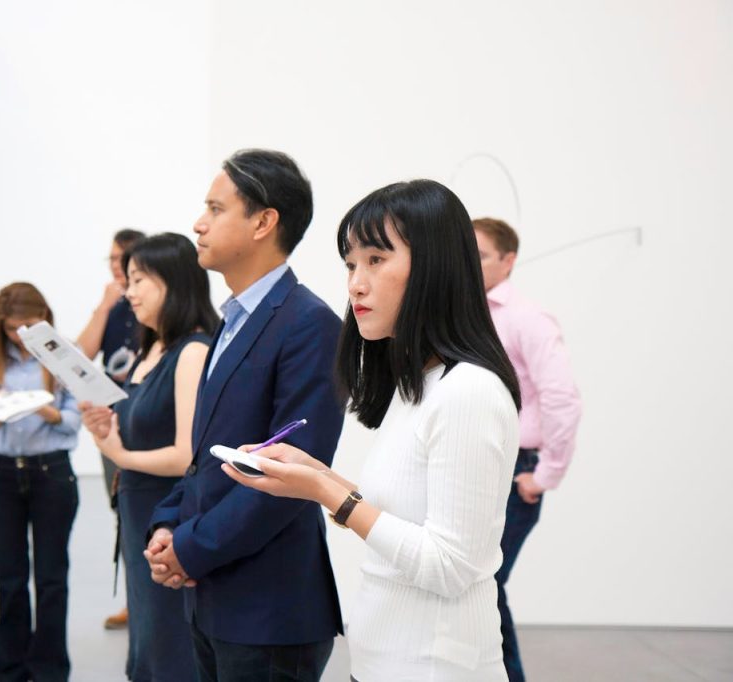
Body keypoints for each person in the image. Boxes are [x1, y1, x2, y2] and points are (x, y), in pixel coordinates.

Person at [225, 180, 522, 681]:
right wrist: (316, 474)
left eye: (376, 260)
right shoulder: (421, 385)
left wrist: (324, 491)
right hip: (385, 661)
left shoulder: (469, 392)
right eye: (350, 264)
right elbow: (403, 517)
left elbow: (449, 567)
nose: (355, 284)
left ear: (434, 266)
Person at [144, 149, 345, 682]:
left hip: (269, 609)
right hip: (216, 596)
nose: (198, 223)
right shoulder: (231, 322)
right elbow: (207, 457)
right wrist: (169, 522)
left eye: (215, 208)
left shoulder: (309, 325)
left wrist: (188, 547)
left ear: (263, 221)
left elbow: (289, 476)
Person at [81, 232, 218, 681]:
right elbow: (141, 427)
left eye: (140, 280)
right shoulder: (152, 347)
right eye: (129, 279)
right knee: (146, 644)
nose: (130, 291)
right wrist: (107, 427)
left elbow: (186, 456)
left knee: (169, 647)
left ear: (174, 283)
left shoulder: (193, 351)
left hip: (166, 520)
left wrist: (120, 454)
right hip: (139, 515)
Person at [473, 217, 582, 682]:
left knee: (485, 587)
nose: (468, 264)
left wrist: (545, 475)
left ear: (508, 260)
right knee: (474, 587)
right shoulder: (464, 315)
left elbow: (562, 398)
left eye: (478, 255)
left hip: (517, 469)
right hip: (478, 464)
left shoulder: (526, 319)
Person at [0, 282, 81, 682]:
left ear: (45, 319)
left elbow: (75, 419)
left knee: (52, 578)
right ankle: (8, 666)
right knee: (10, 576)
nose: (20, 335)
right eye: (12, 328)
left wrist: (47, 411)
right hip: (2, 474)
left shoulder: (64, 356)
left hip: (51, 474)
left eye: (29, 326)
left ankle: (49, 668)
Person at [75, 228, 145, 630]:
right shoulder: (113, 306)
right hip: (111, 425)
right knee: (122, 511)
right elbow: (82, 354)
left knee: (146, 510)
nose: (116, 266)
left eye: (122, 258)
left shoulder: (153, 304)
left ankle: (151, 602)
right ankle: (135, 602)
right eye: (112, 259)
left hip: (147, 421)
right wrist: (102, 307)